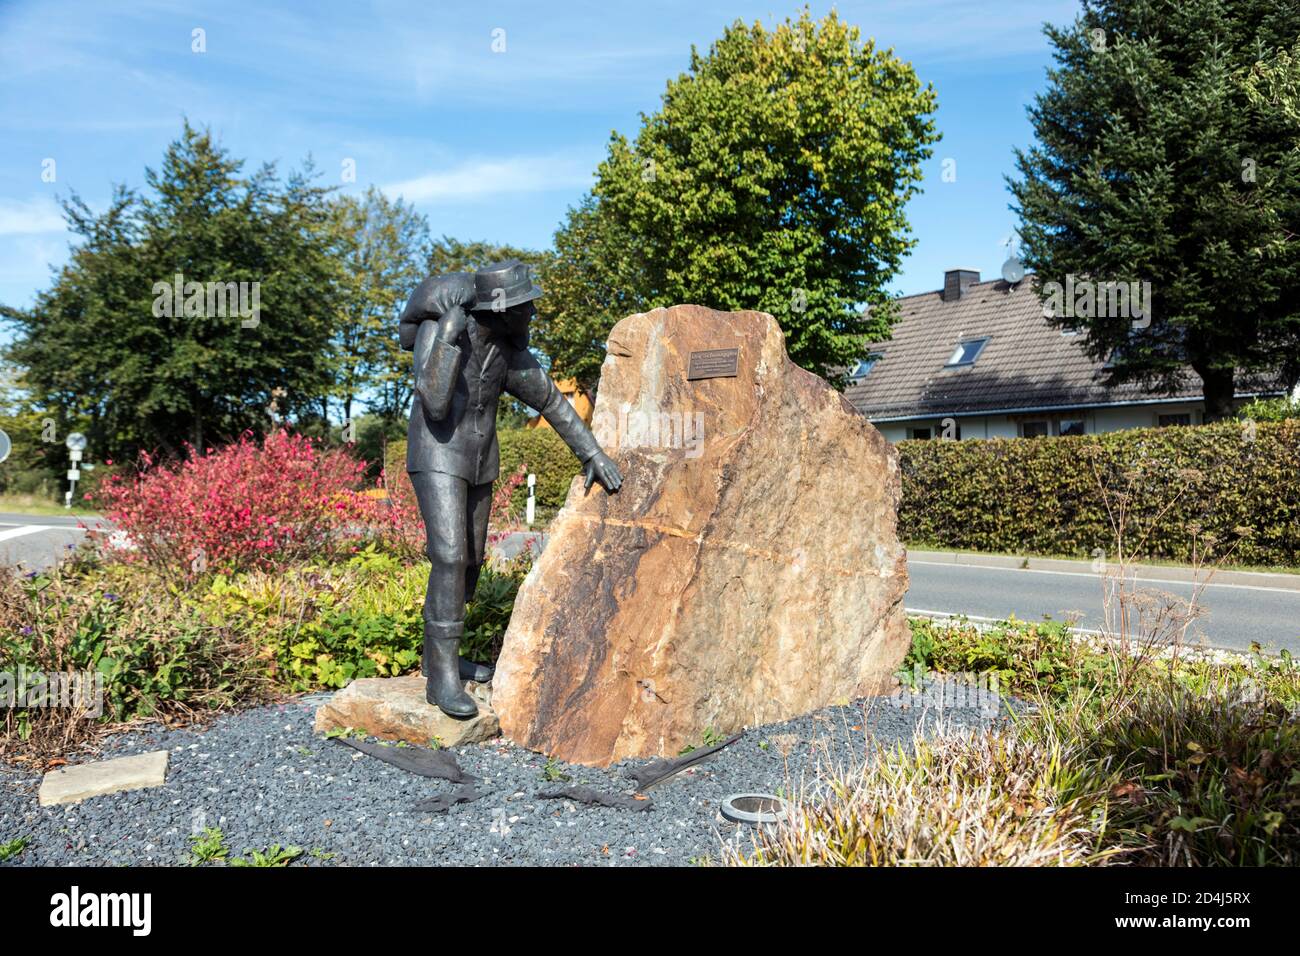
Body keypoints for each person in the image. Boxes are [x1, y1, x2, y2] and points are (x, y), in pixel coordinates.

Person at [399, 260, 623, 717]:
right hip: (437, 454)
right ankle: (441, 679)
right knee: (448, 555)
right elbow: (436, 402)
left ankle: (438, 657)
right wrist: (446, 333)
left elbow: (551, 401)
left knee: (473, 559)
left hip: (479, 461)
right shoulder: (442, 332)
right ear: (503, 309)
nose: (533, 313)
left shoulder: (508, 351)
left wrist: (592, 454)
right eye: (527, 306)